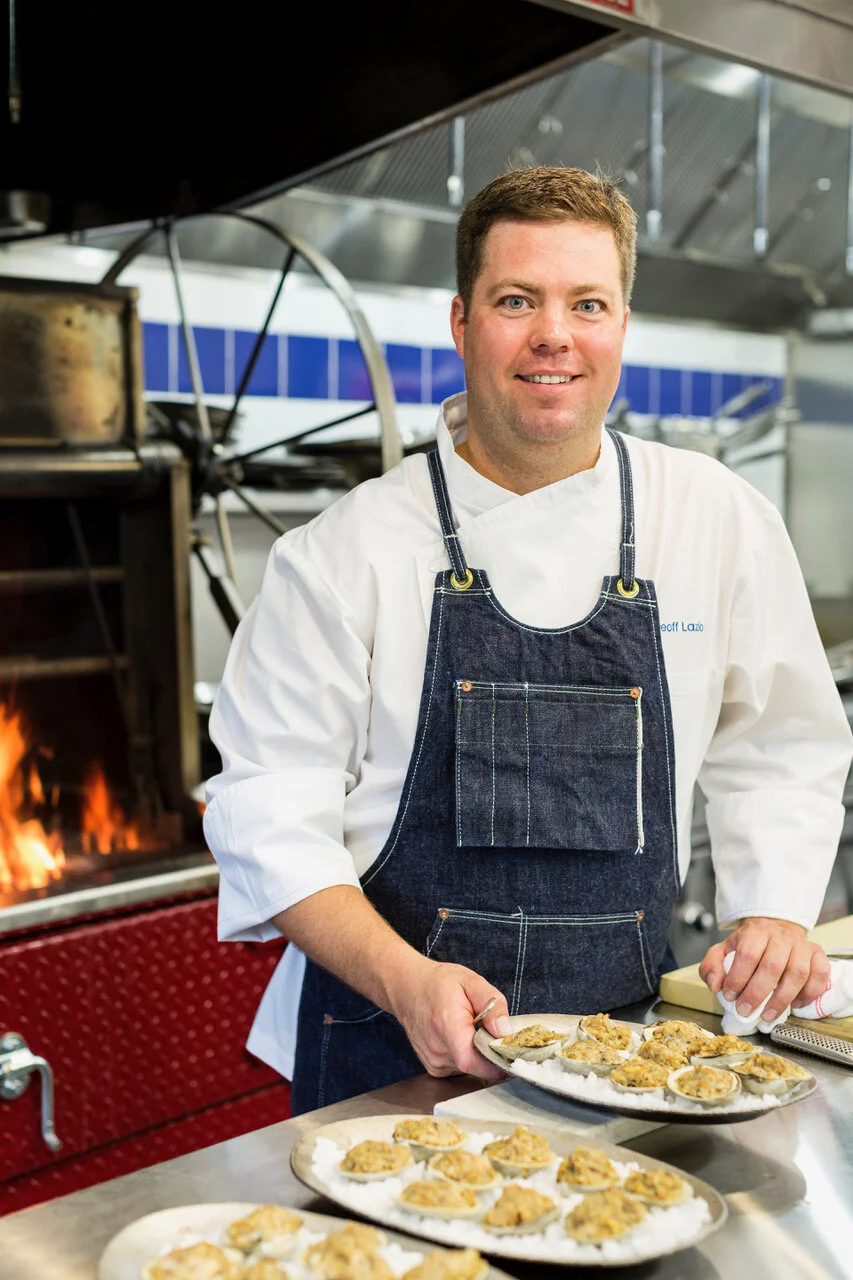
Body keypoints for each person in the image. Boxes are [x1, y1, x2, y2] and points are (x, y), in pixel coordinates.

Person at [204, 167, 853, 1115]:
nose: (554, 334)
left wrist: (772, 915)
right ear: (461, 321)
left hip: (629, 1048)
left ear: (621, 324)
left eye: (587, 303)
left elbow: (780, 746)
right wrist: (403, 979)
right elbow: (267, 807)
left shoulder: (714, 517)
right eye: (516, 300)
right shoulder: (341, 551)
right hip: (390, 1043)